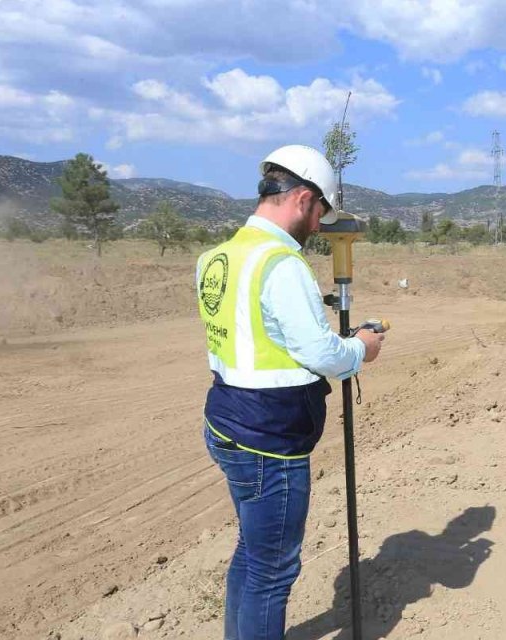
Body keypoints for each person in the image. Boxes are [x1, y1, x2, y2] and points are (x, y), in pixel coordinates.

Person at [196, 144, 384, 640]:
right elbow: (320, 353)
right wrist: (361, 348)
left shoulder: (217, 257)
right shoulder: (281, 264)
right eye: (320, 212)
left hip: (226, 420)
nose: (320, 225)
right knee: (272, 572)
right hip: (268, 440)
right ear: (303, 199)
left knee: (253, 555)